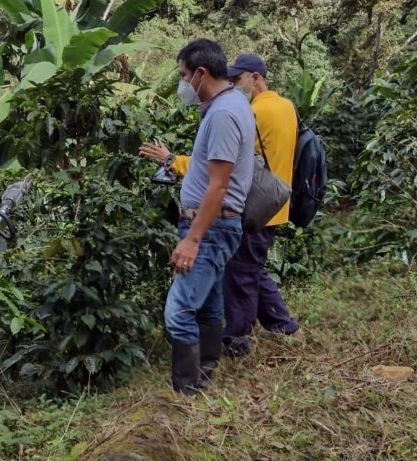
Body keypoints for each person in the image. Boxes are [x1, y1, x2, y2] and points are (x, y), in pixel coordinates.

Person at [140, 54, 300, 357]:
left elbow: (223, 167)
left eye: (239, 79)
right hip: (275, 202)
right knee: (252, 269)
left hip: (251, 207)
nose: (235, 84)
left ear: (255, 77)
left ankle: (236, 340)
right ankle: (282, 324)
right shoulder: (286, 107)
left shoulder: (252, 112)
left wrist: (172, 160)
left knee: (240, 276)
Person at [146, 39, 254, 395]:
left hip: (210, 227)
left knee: (179, 311)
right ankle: (205, 376)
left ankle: (187, 390)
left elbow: (218, 185)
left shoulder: (224, 114)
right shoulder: (229, 104)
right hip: (215, 224)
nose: (182, 83)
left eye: (183, 75)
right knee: (208, 304)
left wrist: (192, 238)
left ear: (201, 73)